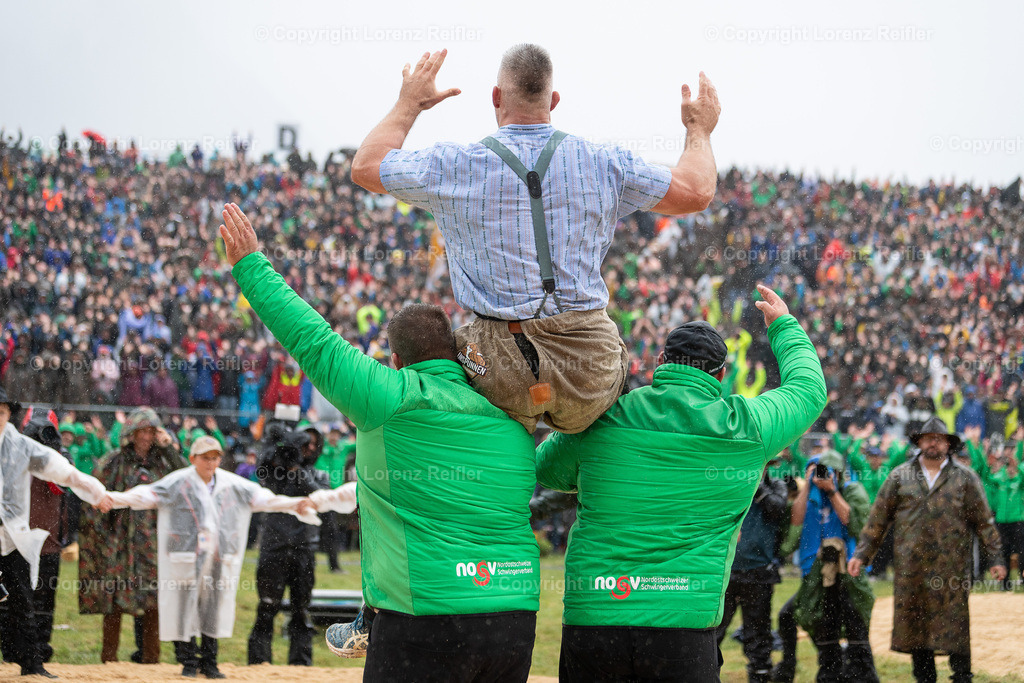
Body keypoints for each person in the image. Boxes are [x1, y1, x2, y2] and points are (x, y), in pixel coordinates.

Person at [220, 204, 541, 681]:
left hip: (424, 616)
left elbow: (311, 338)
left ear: (394, 360)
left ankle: (362, 622)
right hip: (515, 616)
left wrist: (250, 265)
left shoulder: (388, 396)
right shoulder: (514, 419)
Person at [350, 44, 720, 434]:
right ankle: (575, 463)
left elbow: (366, 166)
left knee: (439, 341)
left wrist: (410, 103)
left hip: (497, 373)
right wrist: (699, 130)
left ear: (496, 97)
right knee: (596, 398)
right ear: (554, 100)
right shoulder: (605, 162)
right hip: (589, 372)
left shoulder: (452, 166)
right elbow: (697, 190)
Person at [534, 285, 827, 682]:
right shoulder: (747, 426)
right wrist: (783, 326)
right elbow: (808, 390)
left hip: (596, 615)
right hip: (684, 623)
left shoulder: (605, 416)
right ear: (722, 375)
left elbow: (547, 470)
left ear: (660, 362)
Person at [105, 436, 321, 679]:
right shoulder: (179, 482)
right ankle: (188, 660)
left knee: (213, 607)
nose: (210, 463)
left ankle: (210, 661)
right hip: (185, 557)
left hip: (219, 557)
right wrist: (114, 499)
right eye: (205, 458)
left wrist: (294, 504)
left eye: (215, 458)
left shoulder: (231, 484)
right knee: (184, 607)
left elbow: (262, 498)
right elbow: (148, 495)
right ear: (192, 459)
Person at [849, 417, 1006, 683]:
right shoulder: (900, 476)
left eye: (939, 438)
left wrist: (996, 558)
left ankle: (962, 676)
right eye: (928, 437)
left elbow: (983, 522)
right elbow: (878, 519)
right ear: (919, 442)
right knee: (916, 626)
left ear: (948, 444)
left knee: (956, 625)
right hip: (912, 569)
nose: (934, 442)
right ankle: (924, 678)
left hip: (952, 568)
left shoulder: (965, 478)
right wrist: (862, 553)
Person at [0, 388, 115, 679]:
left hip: (12, 537)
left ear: (8, 415)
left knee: (23, 599)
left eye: (1, 412)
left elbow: (64, 472)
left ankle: (32, 664)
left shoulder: (21, 447)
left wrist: (97, 493)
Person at [78, 407, 187, 664]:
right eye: (141, 431)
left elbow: (187, 480)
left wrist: (169, 447)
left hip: (154, 543)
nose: (146, 437)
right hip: (120, 543)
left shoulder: (163, 463)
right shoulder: (115, 461)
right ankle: (109, 660)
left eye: (151, 431)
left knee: (153, 601)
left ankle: (151, 661)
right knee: (115, 601)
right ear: (131, 433)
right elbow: (94, 495)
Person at [775, 449, 878, 682]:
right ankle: (820, 671)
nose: (823, 475)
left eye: (827, 471)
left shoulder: (852, 490)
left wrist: (831, 490)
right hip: (816, 574)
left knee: (855, 625)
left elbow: (853, 523)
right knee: (807, 621)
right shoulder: (810, 495)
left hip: (848, 572)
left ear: (839, 473)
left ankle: (862, 674)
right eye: (818, 471)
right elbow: (796, 521)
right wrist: (808, 486)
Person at [246, 420, 329, 666]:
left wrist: (296, 468)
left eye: (314, 444)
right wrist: (274, 449)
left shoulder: (320, 475)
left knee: (301, 610)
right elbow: (262, 477)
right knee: (266, 607)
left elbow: (319, 499)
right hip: (274, 547)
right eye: (305, 442)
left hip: (304, 550)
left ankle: (301, 664)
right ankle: (258, 662)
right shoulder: (276, 473)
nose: (309, 448)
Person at [715, 468, 788, 683]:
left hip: (759, 573)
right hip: (726, 572)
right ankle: (704, 673)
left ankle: (760, 676)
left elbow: (777, 509)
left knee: (758, 636)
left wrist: (757, 485)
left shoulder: (776, 485)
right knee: (713, 632)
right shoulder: (730, 483)